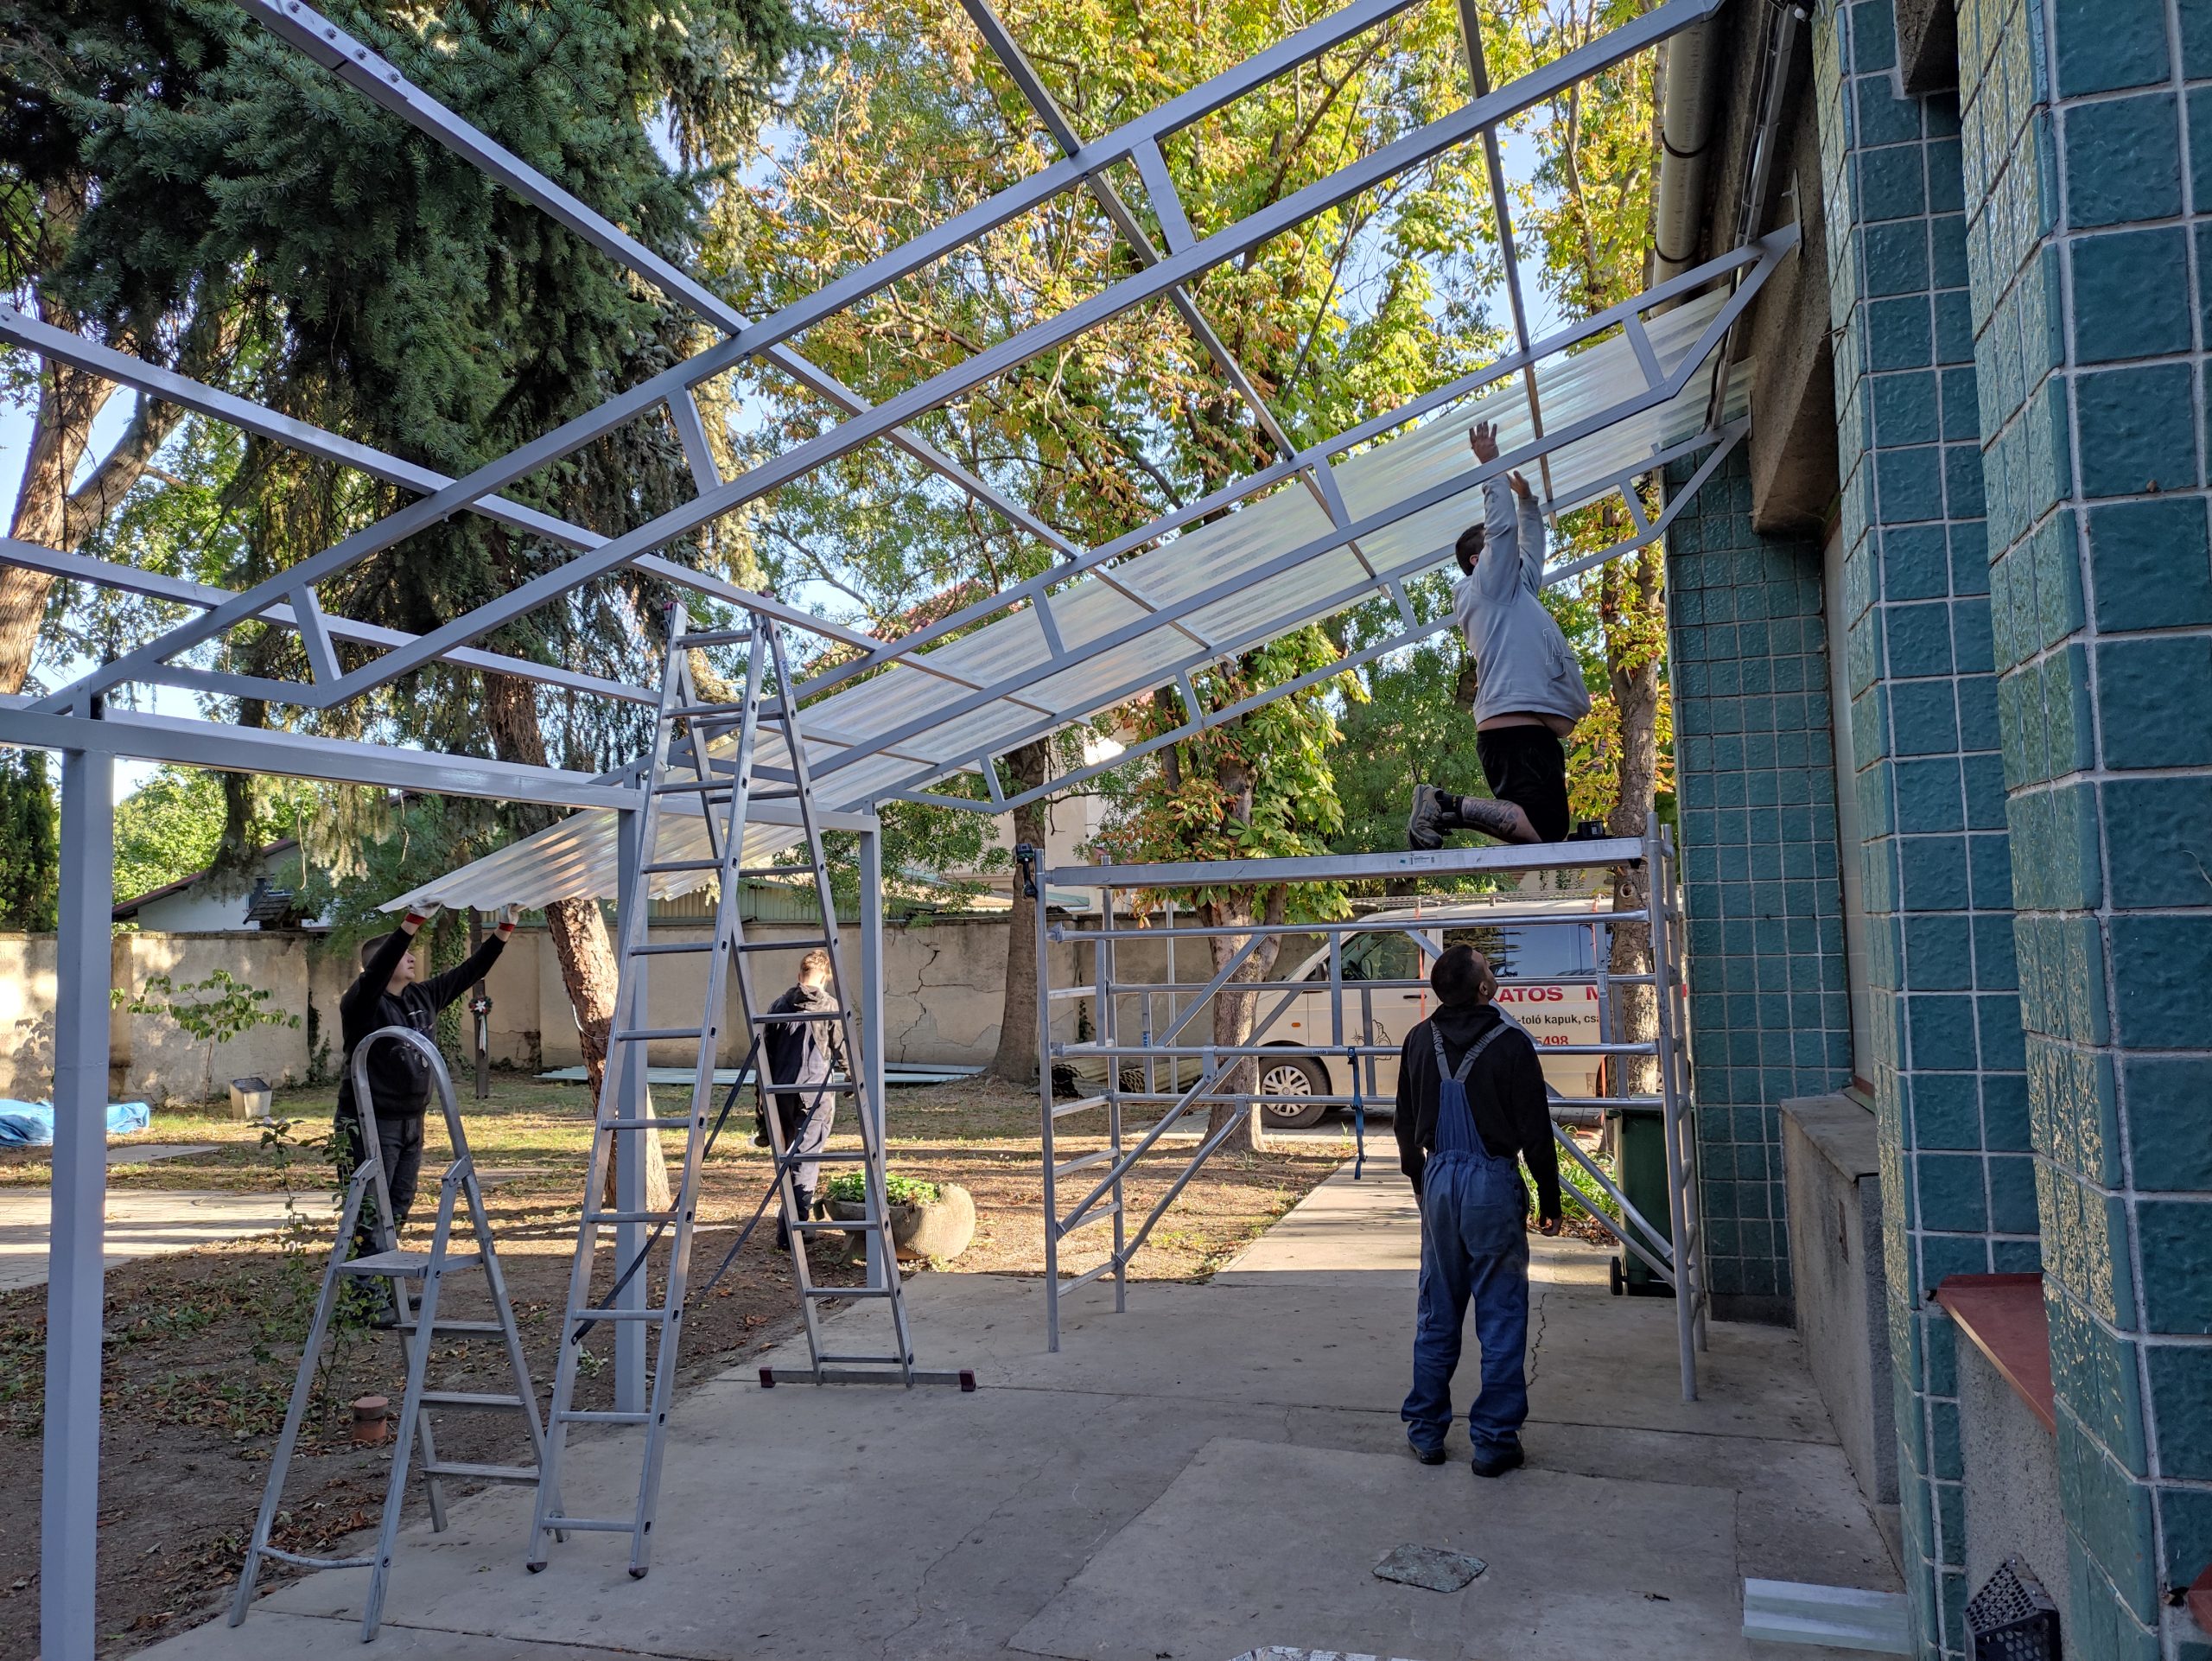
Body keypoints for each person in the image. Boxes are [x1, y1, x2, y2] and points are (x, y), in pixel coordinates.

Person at [1395, 944, 1563, 1477]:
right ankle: (1493, 1442)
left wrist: (1422, 1185)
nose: (1493, 971)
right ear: (1485, 988)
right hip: (1491, 1182)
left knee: (1437, 1309)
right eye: (1489, 967)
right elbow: (1536, 1133)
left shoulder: (1417, 1040)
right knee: (1502, 1311)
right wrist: (1549, 1199)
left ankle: (1426, 1432)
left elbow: (1404, 1123)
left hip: (1439, 1179)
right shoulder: (1512, 1044)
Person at [1408, 419, 1592, 850]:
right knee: (1544, 829)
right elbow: (1503, 532)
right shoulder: (1488, 586)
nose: (1506, 554)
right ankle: (1442, 803)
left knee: (1550, 828)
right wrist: (1490, 465)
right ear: (1479, 561)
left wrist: (1528, 502)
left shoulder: (1513, 592)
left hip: (1523, 732)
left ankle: (1445, 806)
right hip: (1516, 732)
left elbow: (1531, 551)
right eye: (1494, 551)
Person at [335, 902, 516, 1293]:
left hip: (411, 1121)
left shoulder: (423, 996)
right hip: (370, 1123)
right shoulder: (363, 1003)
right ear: (383, 964)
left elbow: (471, 971)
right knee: (370, 1208)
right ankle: (365, 1301)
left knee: (398, 1205)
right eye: (404, 954)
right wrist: (411, 922)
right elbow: (377, 973)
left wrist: (504, 929)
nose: (412, 957)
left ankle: (384, 1292)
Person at [763, 948, 846, 1251]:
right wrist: (851, 1076)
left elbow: (765, 1051)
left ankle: (791, 1221)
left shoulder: (778, 1005)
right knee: (806, 1159)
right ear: (825, 978)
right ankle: (793, 1229)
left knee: (789, 1156)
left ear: (800, 974)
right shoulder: (829, 1006)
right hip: (814, 1093)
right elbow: (842, 1047)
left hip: (780, 1091)